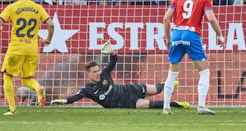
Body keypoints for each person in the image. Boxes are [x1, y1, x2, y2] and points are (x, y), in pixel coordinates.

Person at [51, 41, 190, 109]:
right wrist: (64, 101)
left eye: (98, 70)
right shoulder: (88, 90)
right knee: (152, 104)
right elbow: (75, 97)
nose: (98, 73)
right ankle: (177, 105)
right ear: (88, 75)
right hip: (127, 103)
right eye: (94, 72)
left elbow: (114, 60)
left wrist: (112, 52)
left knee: (156, 89)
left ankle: (169, 84)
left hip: (129, 89)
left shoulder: (104, 74)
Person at [162, 0, 225, 115]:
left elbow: (166, 19)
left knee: (172, 73)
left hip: (176, 33)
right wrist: (220, 36)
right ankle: (201, 106)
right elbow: (211, 19)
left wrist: (168, 38)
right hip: (191, 33)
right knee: (204, 71)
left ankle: (166, 107)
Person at [0, 0, 55, 115]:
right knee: (27, 79)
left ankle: (12, 109)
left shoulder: (12, 7)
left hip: (16, 48)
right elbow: (51, 24)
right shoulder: (38, 7)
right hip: (32, 49)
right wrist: (48, 39)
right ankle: (39, 87)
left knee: (8, 77)